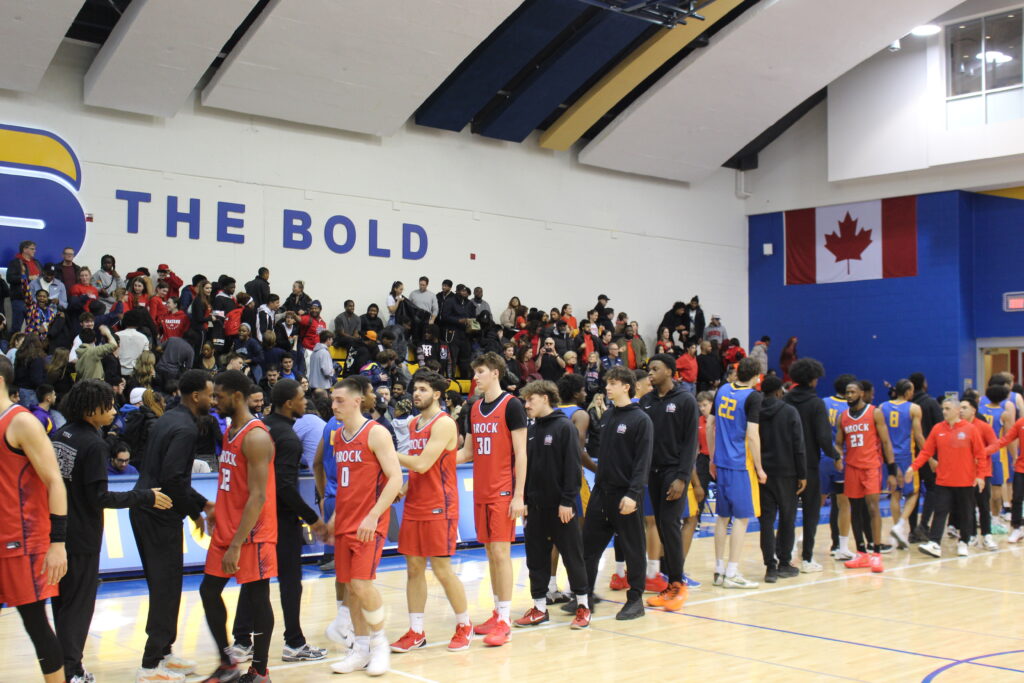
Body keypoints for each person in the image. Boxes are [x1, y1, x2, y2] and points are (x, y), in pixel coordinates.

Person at [50, 380, 172, 683]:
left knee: (63, 605)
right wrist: (146, 496)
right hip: (81, 536)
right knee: (78, 607)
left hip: (57, 531)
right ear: (92, 410)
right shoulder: (94, 444)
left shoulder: (60, 434)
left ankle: (66, 667)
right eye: (108, 406)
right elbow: (100, 498)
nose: (113, 411)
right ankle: (71, 671)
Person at [230, 380, 327, 663]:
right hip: (279, 520)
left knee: (254, 579)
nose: (305, 402)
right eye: (301, 398)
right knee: (290, 581)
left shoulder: (259, 427)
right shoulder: (287, 437)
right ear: (289, 403)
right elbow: (284, 486)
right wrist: (313, 519)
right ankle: (294, 643)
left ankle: (241, 641)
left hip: (254, 515)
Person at [130, 370, 216, 682]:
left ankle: (165, 652)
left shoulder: (170, 418)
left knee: (167, 584)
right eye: (209, 393)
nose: (213, 398)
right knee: (166, 587)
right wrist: (197, 511)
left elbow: (171, 477)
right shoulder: (185, 429)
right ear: (196, 396)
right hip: (157, 513)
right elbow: (172, 479)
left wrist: (200, 503)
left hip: (148, 508)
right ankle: (150, 665)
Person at [321, 378, 403, 676]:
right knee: (350, 591)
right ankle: (361, 648)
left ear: (357, 401)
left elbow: (396, 479)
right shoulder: (338, 436)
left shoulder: (377, 432)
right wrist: (333, 517)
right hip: (344, 520)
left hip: (370, 522)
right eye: (332, 400)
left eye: (339, 400)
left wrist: (373, 515)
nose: (334, 406)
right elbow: (345, 482)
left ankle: (380, 644)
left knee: (361, 584)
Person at [199, 371, 277, 683]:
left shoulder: (257, 436)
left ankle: (260, 671)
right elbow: (234, 481)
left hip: (252, 535)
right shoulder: (230, 429)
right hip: (227, 528)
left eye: (219, 395)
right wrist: (218, 508)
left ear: (237, 396)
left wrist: (235, 544)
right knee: (208, 591)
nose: (214, 400)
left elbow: (258, 496)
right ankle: (226, 662)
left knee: (258, 601)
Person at [390, 371, 472, 653]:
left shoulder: (445, 424)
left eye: (423, 389)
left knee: (441, 569)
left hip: (441, 505)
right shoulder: (414, 423)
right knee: (413, 569)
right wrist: (403, 486)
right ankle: (416, 631)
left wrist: (385, 453)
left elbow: (423, 464)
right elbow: (416, 470)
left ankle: (464, 624)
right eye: (415, 389)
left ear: (437, 394)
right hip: (415, 504)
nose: (416, 394)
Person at [0, 355, 68, 683]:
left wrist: (58, 542)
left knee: (35, 623)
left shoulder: (21, 421)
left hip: (21, 540)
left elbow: (55, 480)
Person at [458, 352, 527, 646]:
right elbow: (468, 453)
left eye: (481, 371)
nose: (476, 377)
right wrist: (435, 460)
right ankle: (497, 611)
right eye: (475, 372)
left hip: (502, 491)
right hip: (480, 491)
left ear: (496, 372)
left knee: (501, 554)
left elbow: (522, 454)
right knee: (489, 554)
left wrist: (519, 495)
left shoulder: (512, 406)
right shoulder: (473, 408)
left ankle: (504, 620)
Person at [511, 380, 591, 629]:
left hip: (561, 507)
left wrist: (567, 500)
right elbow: (525, 468)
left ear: (545, 397)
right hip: (535, 508)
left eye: (530, 399)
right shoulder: (531, 429)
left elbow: (572, 467)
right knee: (535, 559)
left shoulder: (564, 427)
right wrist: (522, 499)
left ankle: (583, 606)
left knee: (572, 557)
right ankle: (539, 608)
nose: (526, 405)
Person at [581, 366, 652, 619]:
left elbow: (642, 462)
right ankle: (584, 596)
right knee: (588, 548)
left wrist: (633, 494)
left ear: (626, 387)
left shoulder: (641, 420)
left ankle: (635, 600)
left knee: (633, 549)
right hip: (602, 494)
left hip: (626, 495)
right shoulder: (609, 415)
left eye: (612, 383)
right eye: (607, 383)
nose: (607, 387)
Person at [639, 354, 698, 611]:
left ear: (671, 372)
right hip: (651, 472)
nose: (650, 373)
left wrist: (683, 478)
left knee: (670, 526)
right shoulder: (646, 401)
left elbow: (690, 443)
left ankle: (677, 583)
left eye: (655, 369)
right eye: (649, 369)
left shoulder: (685, 400)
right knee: (662, 526)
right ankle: (669, 582)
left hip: (674, 473)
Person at [709, 357, 765, 588]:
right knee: (741, 518)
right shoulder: (753, 396)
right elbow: (752, 434)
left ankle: (719, 570)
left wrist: (712, 457)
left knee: (722, 518)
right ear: (756, 376)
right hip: (739, 464)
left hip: (721, 462)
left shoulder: (722, 389)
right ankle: (732, 572)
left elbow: (710, 423)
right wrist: (760, 468)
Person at [782, 358, 841, 572]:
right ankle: (807, 558)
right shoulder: (816, 403)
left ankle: (785, 556)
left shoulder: (785, 401)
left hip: (787, 465)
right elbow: (824, 437)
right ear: (814, 379)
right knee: (810, 513)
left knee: (787, 512)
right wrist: (835, 455)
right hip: (809, 466)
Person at [913, 398, 987, 558]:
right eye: (943, 409)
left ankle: (964, 542)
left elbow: (981, 455)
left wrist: (980, 476)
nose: (944, 412)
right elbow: (926, 451)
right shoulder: (937, 429)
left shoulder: (970, 429)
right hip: (943, 480)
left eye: (947, 408)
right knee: (940, 511)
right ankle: (934, 543)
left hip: (965, 480)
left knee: (966, 512)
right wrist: (914, 467)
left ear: (956, 410)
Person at [836, 380, 896, 572]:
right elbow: (838, 442)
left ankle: (876, 553)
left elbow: (886, 442)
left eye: (853, 392)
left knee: (873, 508)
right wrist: (838, 456)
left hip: (871, 467)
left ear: (861, 393)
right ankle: (861, 553)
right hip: (852, 468)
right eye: (847, 392)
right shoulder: (843, 417)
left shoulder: (874, 412)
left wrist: (892, 471)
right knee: (855, 509)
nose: (849, 395)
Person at [756, 376, 805, 583]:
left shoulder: (755, 412)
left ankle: (770, 567)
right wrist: (803, 474)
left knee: (766, 521)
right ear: (778, 391)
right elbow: (798, 445)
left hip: (763, 473)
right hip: (787, 473)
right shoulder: (789, 412)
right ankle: (784, 562)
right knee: (787, 518)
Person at [882, 380, 926, 550]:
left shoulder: (882, 407)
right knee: (913, 492)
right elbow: (919, 436)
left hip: (889, 456)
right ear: (908, 392)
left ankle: (897, 532)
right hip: (907, 455)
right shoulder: (914, 408)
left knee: (895, 494)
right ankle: (900, 525)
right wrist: (929, 456)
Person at [961, 394, 999, 551]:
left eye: (965, 408)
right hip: (964, 473)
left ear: (973, 411)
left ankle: (987, 535)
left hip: (982, 472)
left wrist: (981, 452)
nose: (961, 411)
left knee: (983, 504)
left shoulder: (983, 426)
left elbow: (995, 444)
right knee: (967, 505)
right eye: (960, 408)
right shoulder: (959, 427)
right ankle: (971, 535)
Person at [908, 372, 943, 542]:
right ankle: (923, 526)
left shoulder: (907, 405)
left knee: (912, 492)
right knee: (933, 490)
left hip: (910, 454)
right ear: (924, 384)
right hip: (930, 455)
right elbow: (941, 427)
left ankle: (911, 529)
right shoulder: (930, 402)